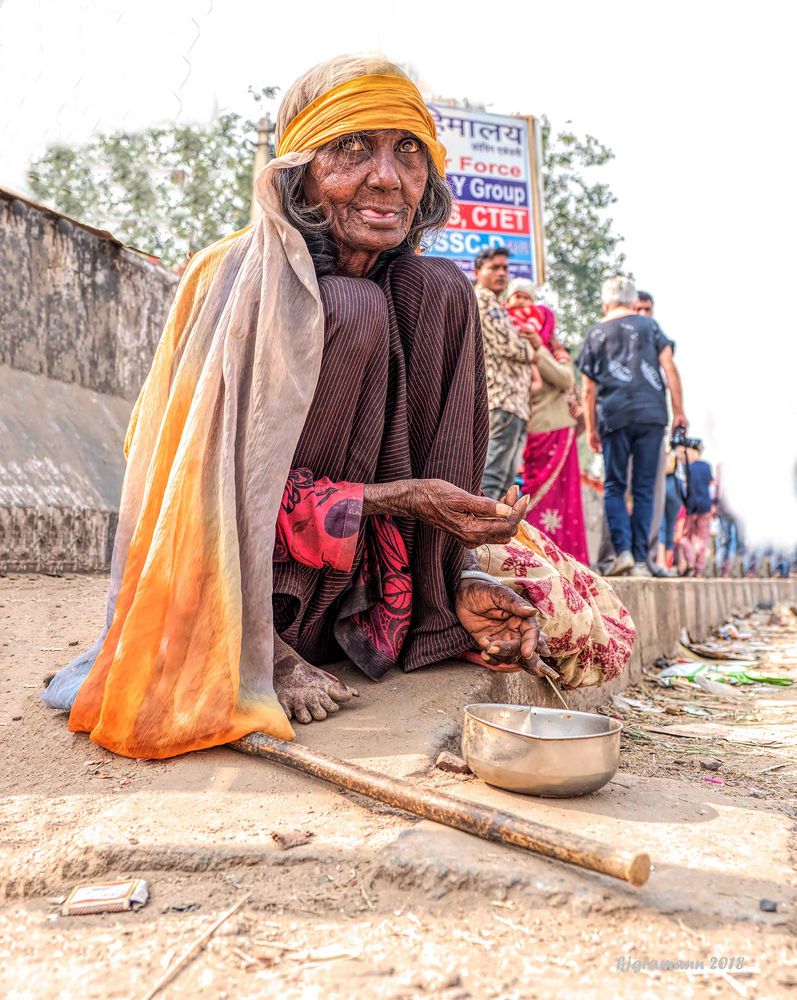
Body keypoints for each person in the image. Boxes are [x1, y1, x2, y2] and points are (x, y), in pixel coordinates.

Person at [41, 56, 635, 759]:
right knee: (351, 309)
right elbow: (204, 501)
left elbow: (430, 481)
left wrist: (463, 573)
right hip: (229, 596)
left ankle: (437, 610)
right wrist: (401, 498)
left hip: (364, 610)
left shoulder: (425, 292)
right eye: (351, 147)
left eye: (407, 150)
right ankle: (266, 642)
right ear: (299, 172)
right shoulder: (232, 277)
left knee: (440, 287)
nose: (386, 176)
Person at [578, 276, 687, 577]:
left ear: (606, 302)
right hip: (652, 415)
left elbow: (589, 389)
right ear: (631, 300)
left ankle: (623, 552)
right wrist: (679, 412)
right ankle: (641, 561)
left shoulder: (596, 333)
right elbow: (670, 368)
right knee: (643, 488)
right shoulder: (650, 327)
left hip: (614, 416)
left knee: (615, 486)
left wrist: (592, 428)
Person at [504, 278, 589, 564]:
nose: (521, 304)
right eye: (515, 298)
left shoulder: (551, 344)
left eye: (526, 298)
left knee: (562, 503)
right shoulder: (502, 335)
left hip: (554, 431)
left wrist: (539, 349)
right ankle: (531, 560)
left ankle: (567, 561)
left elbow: (566, 379)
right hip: (517, 432)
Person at [473, 249, 535, 500]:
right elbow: (515, 347)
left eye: (505, 269)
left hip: (514, 404)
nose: (501, 273)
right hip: (501, 400)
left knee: (506, 479)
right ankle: (479, 536)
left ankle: (492, 534)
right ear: (478, 273)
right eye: (494, 267)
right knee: (493, 476)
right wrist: (531, 347)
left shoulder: (498, 306)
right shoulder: (483, 299)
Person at [677, 445, 714, 576]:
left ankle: (690, 561)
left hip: (691, 508)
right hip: (705, 507)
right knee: (702, 539)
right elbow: (711, 487)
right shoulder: (706, 466)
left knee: (684, 537)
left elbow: (683, 488)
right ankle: (698, 568)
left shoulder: (687, 467)